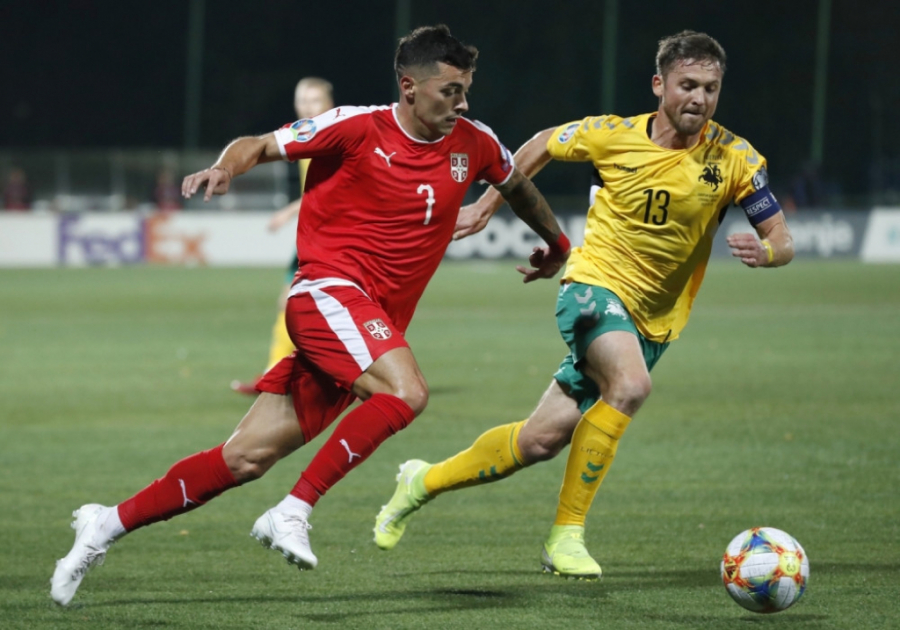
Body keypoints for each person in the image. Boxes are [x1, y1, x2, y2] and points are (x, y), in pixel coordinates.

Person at [50, 24, 571, 606]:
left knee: (245, 458)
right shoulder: (353, 126)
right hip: (326, 292)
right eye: (450, 90)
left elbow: (517, 184)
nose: (463, 103)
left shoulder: (475, 142)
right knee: (407, 392)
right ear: (409, 87)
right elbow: (258, 144)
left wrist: (557, 246)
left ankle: (104, 524)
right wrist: (226, 167)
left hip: (367, 327)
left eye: (466, 90)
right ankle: (294, 509)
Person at [373, 30, 795, 580]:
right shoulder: (610, 135)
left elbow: (781, 237)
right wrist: (486, 204)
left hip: (655, 322)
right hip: (593, 287)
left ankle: (420, 481)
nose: (699, 98)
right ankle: (565, 535)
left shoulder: (735, 157)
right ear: (659, 85)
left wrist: (769, 252)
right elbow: (542, 143)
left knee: (539, 440)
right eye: (687, 85)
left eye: (710, 89)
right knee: (631, 386)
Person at [231, 76, 336, 395]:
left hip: (331, 237)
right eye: (302, 100)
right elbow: (316, 192)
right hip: (313, 234)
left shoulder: (333, 138)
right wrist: (293, 212)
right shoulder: (305, 136)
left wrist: (292, 213)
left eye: (314, 100)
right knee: (293, 305)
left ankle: (290, 377)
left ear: (329, 104)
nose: (307, 107)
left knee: (305, 305)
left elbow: (334, 194)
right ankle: (278, 376)